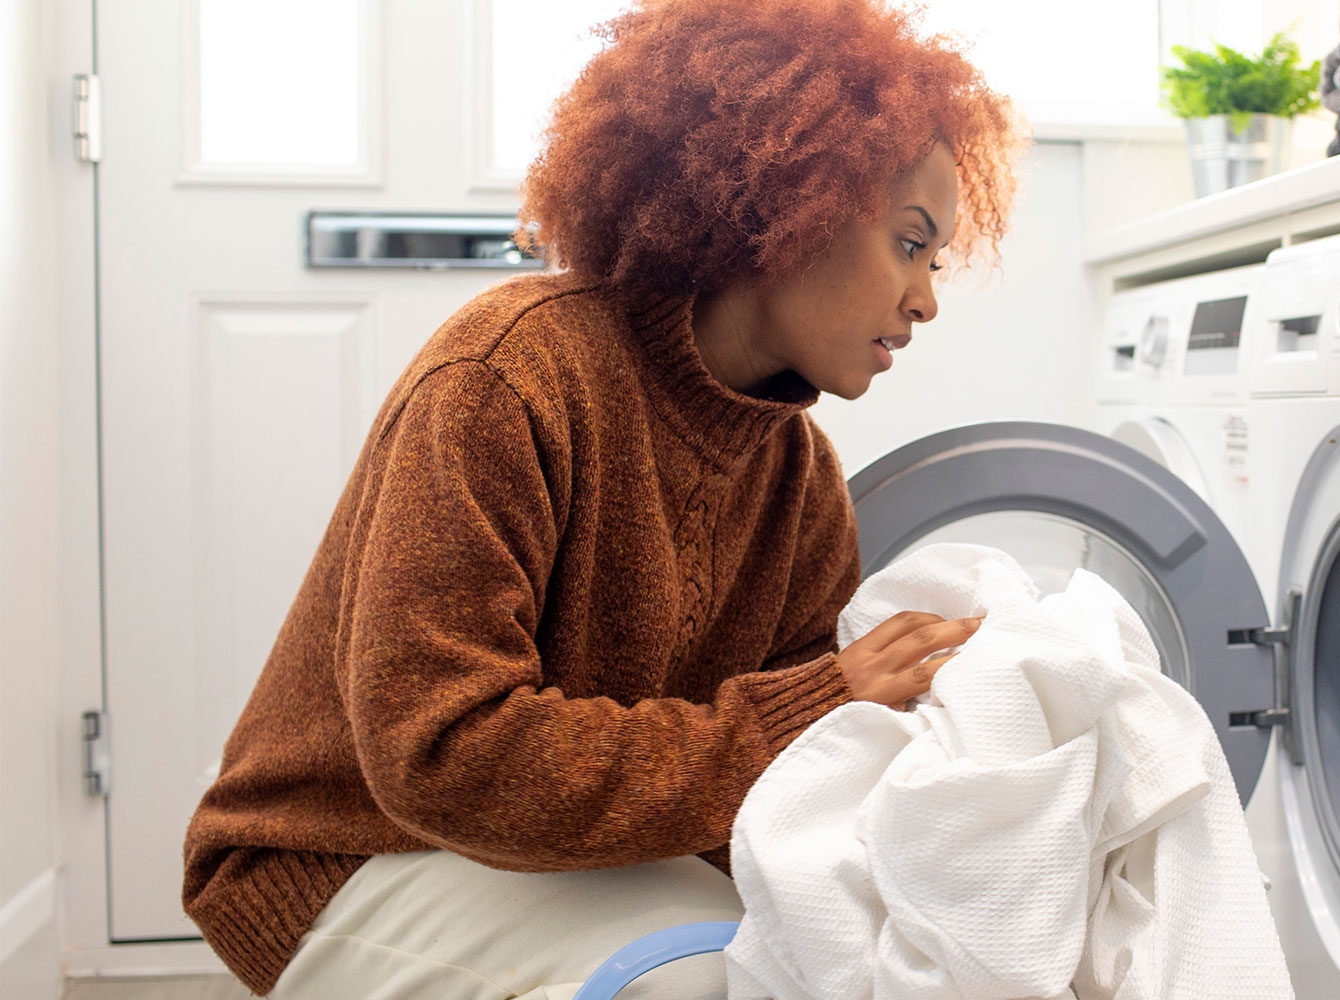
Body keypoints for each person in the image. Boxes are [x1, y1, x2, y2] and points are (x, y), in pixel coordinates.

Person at [179, 0, 1022, 995]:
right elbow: (443, 752)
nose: (925, 297)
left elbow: (779, 791)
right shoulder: (508, 377)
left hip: (557, 847)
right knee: (713, 978)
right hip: (343, 849)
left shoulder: (798, 480)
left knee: (839, 958)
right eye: (909, 243)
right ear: (788, 205)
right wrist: (813, 707)